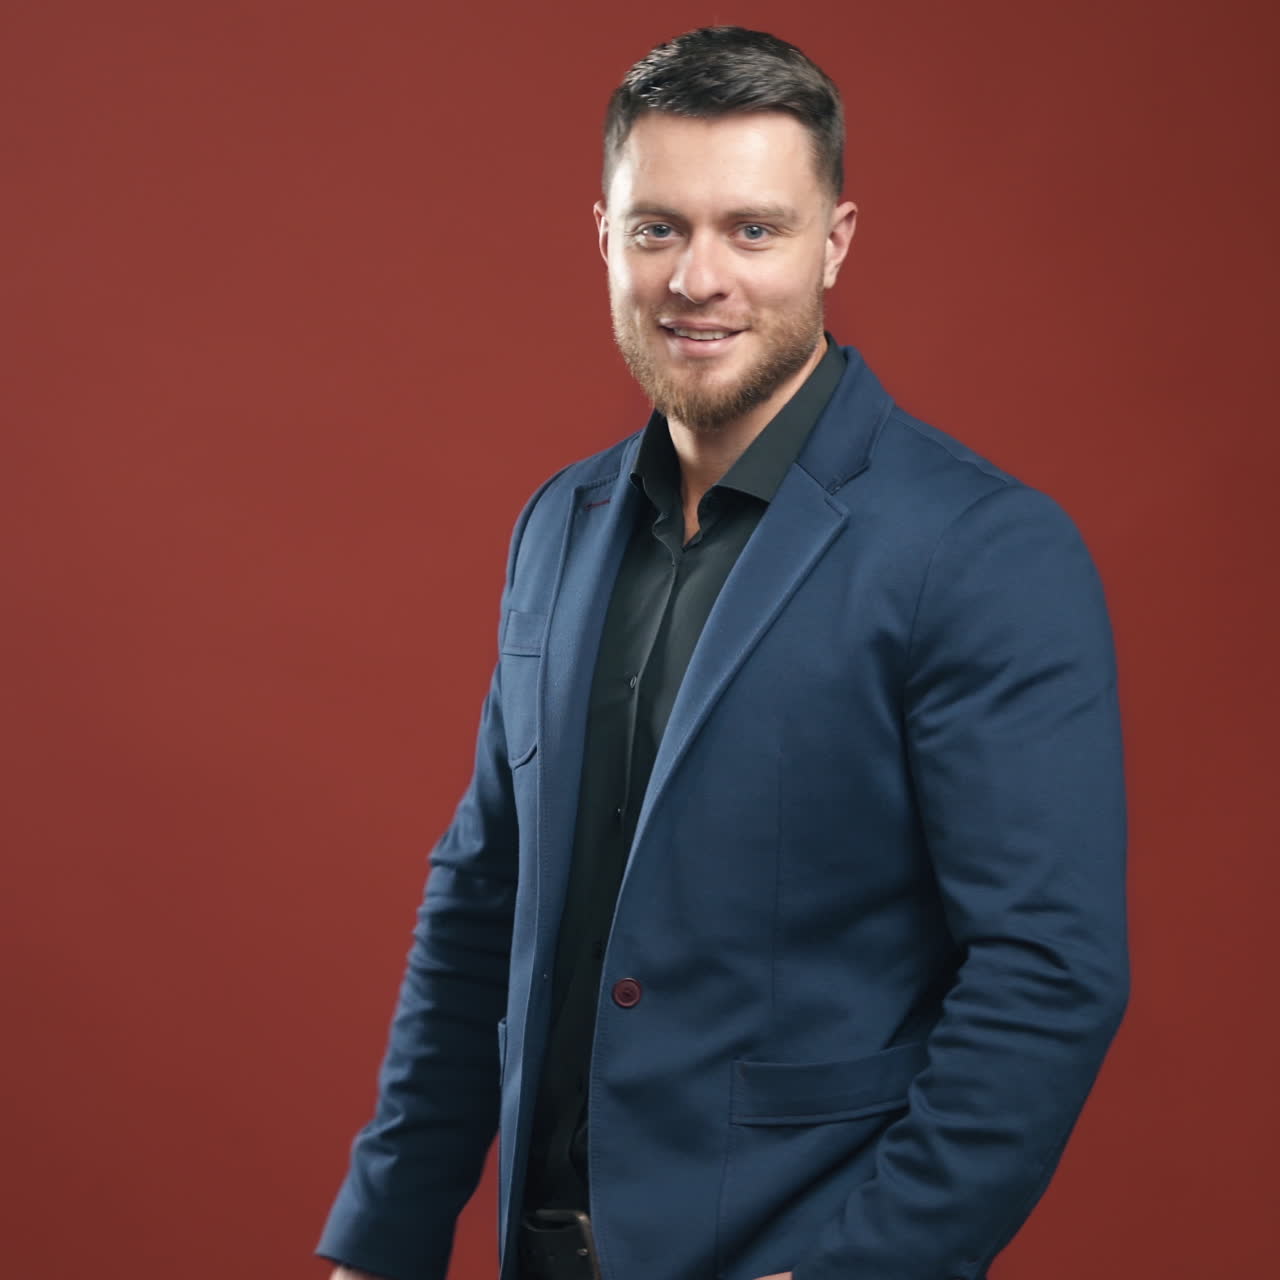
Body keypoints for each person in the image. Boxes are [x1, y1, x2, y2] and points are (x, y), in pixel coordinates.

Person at [317, 26, 1128, 1280]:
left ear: (834, 241)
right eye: (658, 229)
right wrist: (384, 1236)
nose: (699, 277)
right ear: (601, 236)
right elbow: (482, 898)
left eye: (752, 229)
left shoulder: (981, 548)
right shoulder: (558, 524)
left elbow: (1046, 972)